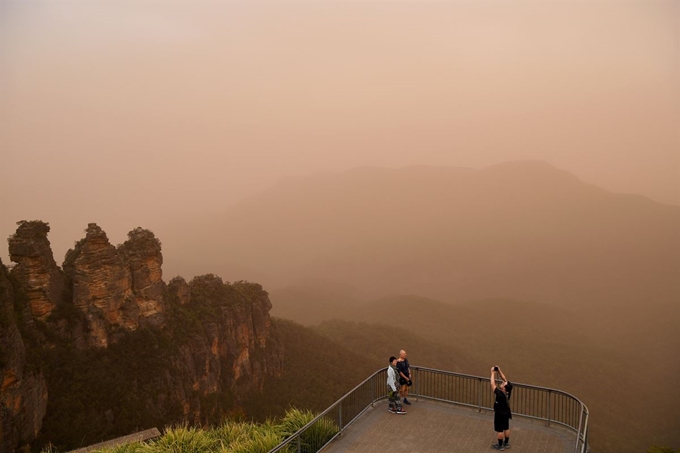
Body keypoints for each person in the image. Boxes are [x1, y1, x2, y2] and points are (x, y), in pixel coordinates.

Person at [490, 366, 513, 450]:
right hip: (506, 413)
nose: (502, 383)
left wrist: (492, 373)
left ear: (504, 389)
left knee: (500, 430)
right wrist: (499, 370)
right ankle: (506, 443)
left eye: (503, 384)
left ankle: (500, 446)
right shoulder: (508, 391)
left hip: (499, 413)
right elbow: (504, 378)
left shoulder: (500, 394)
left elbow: (492, 384)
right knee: (506, 427)